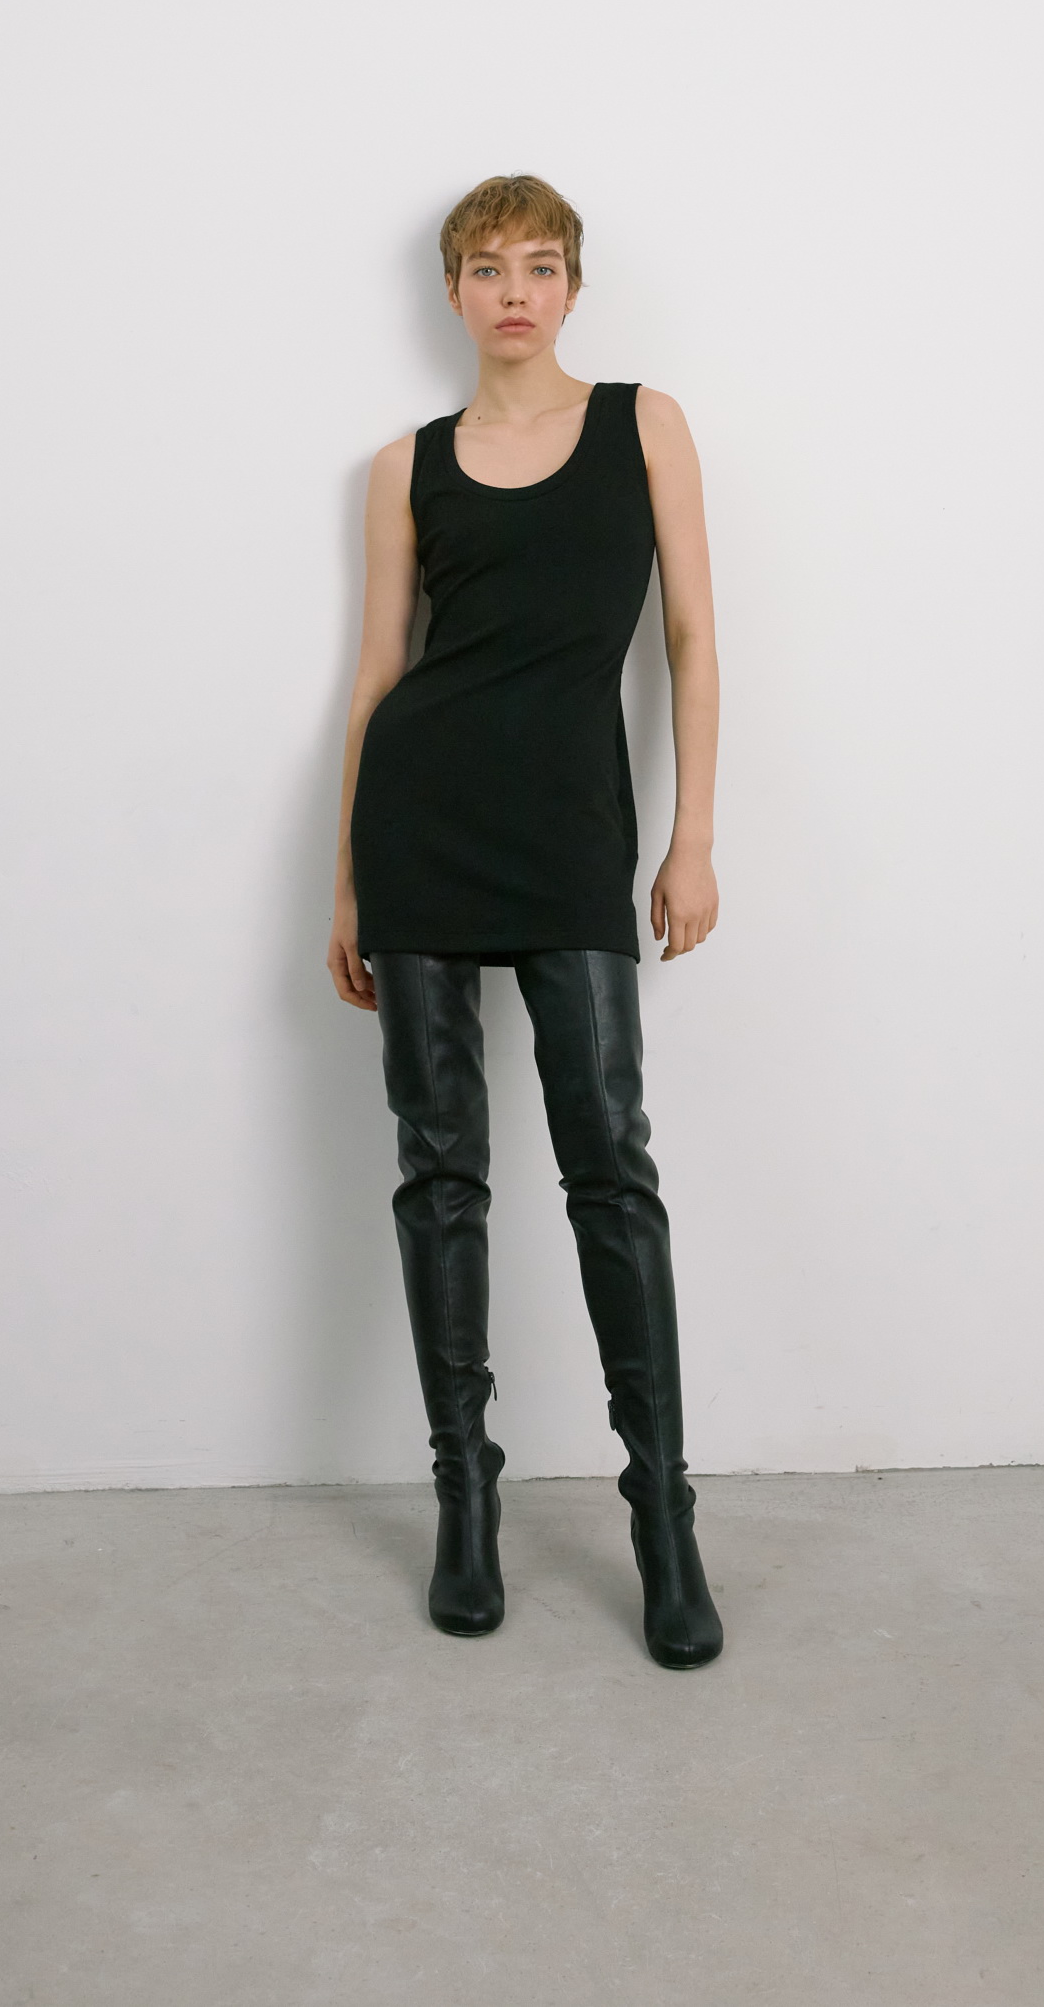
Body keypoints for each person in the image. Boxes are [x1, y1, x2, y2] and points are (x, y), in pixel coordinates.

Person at [326, 174, 724, 1670]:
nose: (515, 292)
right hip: (422, 828)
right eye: (488, 268)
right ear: (453, 291)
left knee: (610, 1164)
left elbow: (691, 636)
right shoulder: (406, 467)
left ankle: (663, 1516)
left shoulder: (644, 425)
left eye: (540, 266)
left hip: (570, 836)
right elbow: (378, 677)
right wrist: (348, 880)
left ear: (573, 287)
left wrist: (691, 838)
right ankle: (466, 1502)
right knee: (440, 1171)